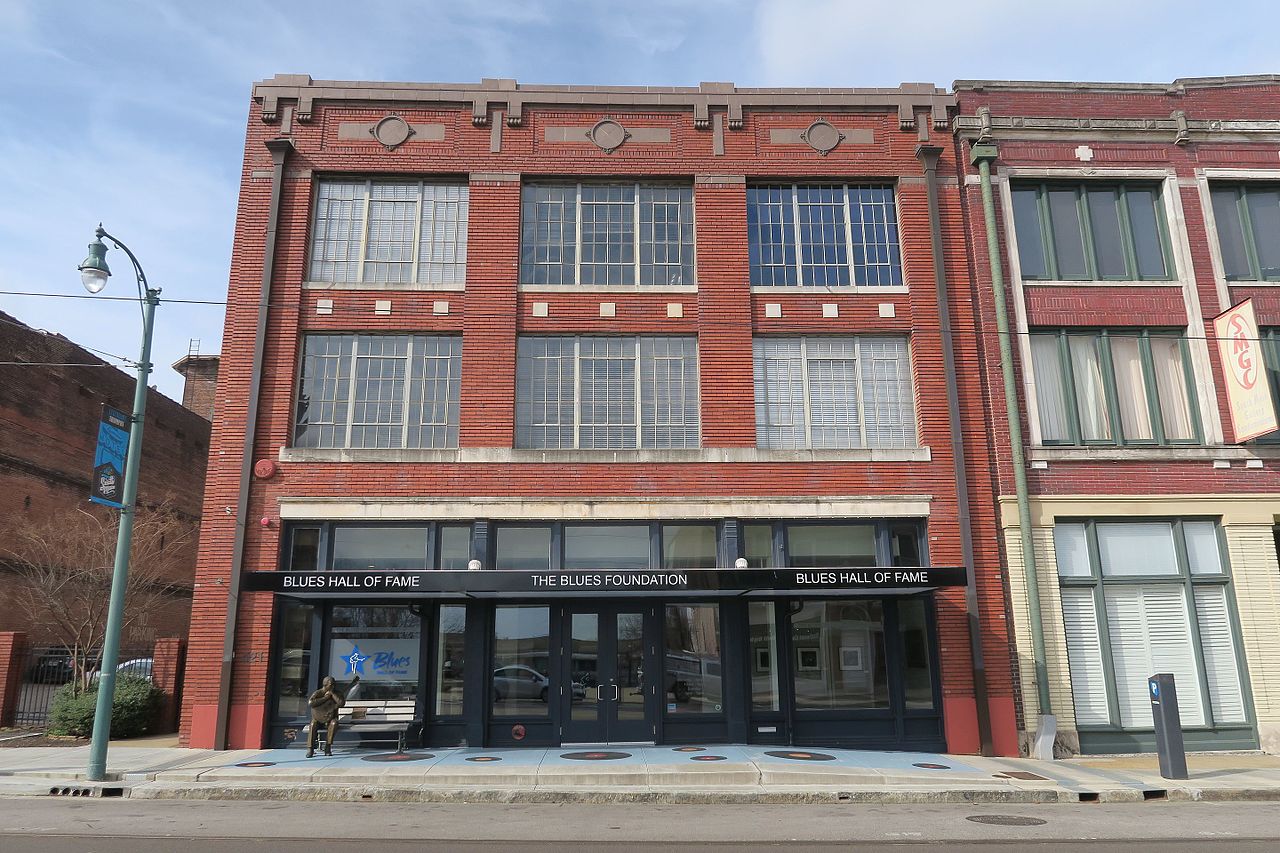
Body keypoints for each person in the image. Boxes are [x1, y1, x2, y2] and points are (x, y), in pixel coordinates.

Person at [306, 674, 359, 757]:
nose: (333, 686)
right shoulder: (319, 693)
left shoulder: (336, 693)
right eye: (331, 685)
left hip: (331, 718)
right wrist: (326, 698)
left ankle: (328, 747)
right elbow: (311, 703)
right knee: (313, 724)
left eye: (334, 684)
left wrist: (333, 694)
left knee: (334, 723)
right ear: (325, 684)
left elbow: (341, 703)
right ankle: (310, 749)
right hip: (318, 719)